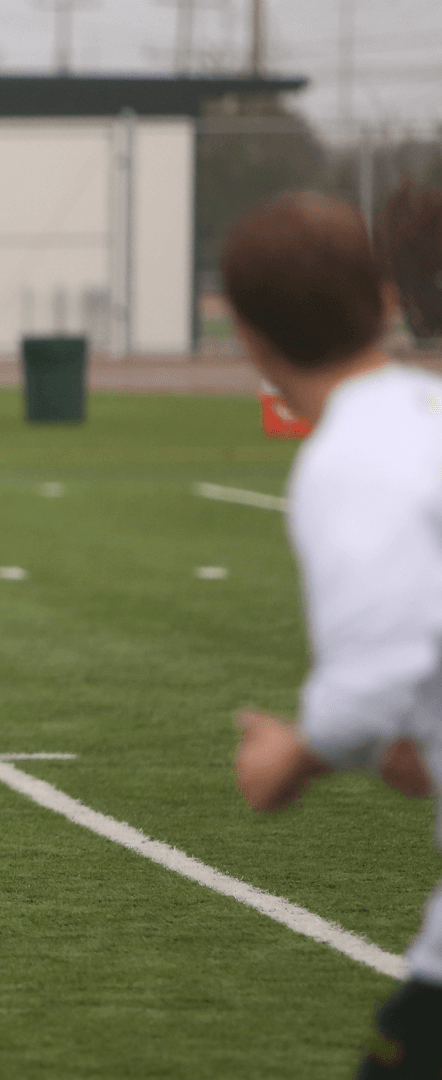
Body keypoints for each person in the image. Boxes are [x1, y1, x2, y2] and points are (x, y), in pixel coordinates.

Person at [225, 193, 440, 1078]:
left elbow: (375, 675)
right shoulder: (426, 414)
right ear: (385, 301)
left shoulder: (352, 456)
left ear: (250, 339)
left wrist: (293, 757)